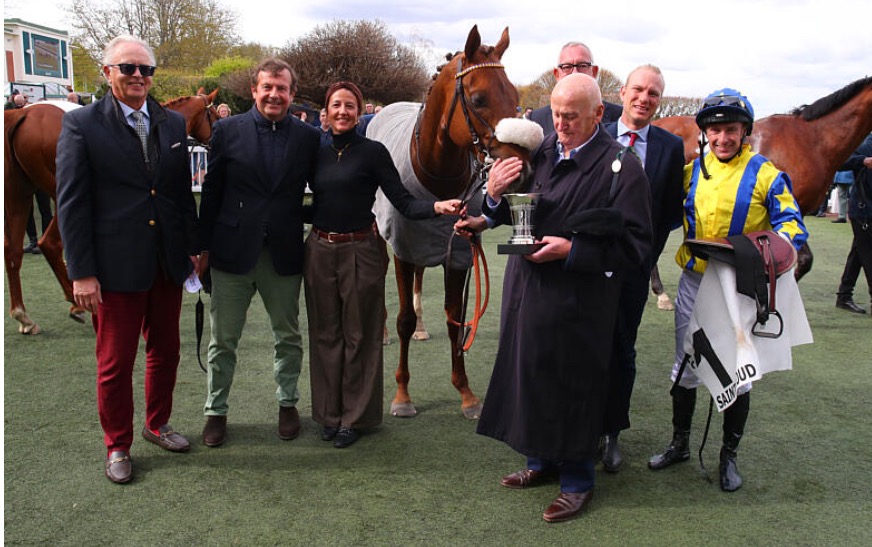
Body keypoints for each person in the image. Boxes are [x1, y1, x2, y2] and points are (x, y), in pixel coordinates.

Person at [456, 73, 652, 522]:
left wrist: (573, 250)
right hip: (527, 290)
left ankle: (578, 482)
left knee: (572, 383)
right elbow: (514, 212)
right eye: (557, 115)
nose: (560, 124)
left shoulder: (623, 167)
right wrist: (490, 201)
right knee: (530, 372)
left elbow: (637, 246)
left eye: (571, 117)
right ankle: (540, 461)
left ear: (598, 114)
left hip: (581, 299)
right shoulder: (541, 151)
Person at [647, 89, 808, 492]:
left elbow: (792, 224)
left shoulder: (765, 173)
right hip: (694, 282)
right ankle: (680, 444)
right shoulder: (690, 172)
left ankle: (728, 456)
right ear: (705, 133)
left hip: (739, 287)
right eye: (715, 130)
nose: (722, 138)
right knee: (685, 364)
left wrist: (767, 253)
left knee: (738, 370)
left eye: (731, 130)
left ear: (744, 132)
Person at [56, 34, 199, 484]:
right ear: (107, 73)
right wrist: (81, 272)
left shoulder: (173, 124)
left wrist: (192, 248)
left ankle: (158, 424)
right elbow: (71, 203)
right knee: (115, 363)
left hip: (166, 263)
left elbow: (179, 195)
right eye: (128, 68)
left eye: (145, 69)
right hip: (113, 268)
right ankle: (117, 444)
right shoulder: (81, 124)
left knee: (166, 351)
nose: (138, 76)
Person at [304, 81, 461, 448]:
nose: (343, 112)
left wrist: (436, 207)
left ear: (360, 112)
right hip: (320, 250)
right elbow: (311, 203)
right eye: (336, 105)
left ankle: (354, 418)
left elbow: (403, 201)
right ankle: (328, 414)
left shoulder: (373, 152)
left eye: (350, 106)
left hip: (361, 249)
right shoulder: (315, 152)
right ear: (326, 111)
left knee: (360, 335)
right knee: (325, 335)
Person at [198, 58, 320, 448]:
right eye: (267, 87)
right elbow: (212, 192)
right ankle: (216, 411)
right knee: (223, 340)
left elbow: (324, 189)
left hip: (283, 253)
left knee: (288, 337)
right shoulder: (227, 130)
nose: (274, 94)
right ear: (254, 90)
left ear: (292, 93)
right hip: (231, 252)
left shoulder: (307, 137)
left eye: (282, 88)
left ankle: (288, 404)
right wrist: (202, 248)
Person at [600, 64, 685, 472]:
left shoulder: (670, 147)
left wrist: (645, 259)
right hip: (585, 266)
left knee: (622, 350)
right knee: (583, 347)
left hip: (633, 272)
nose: (644, 98)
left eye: (653, 93)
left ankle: (612, 432)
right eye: (638, 89)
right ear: (622, 92)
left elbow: (668, 213)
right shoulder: (596, 134)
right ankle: (580, 427)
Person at [530, 42, 622, 135]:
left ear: (594, 72)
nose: (575, 72)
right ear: (557, 74)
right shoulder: (536, 120)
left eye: (582, 66)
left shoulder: (619, 118)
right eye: (567, 67)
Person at [835, 133, 872, 314]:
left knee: (859, 252)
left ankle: (844, 295)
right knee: (868, 254)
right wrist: (863, 161)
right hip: (864, 210)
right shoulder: (865, 144)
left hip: (864, 209)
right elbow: (841, 161)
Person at [23, 190, 54, 254]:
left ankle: (45, 242)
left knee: (45, 210)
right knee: (26, 210)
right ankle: (33, 241)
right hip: (26, 185)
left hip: (42, 185)